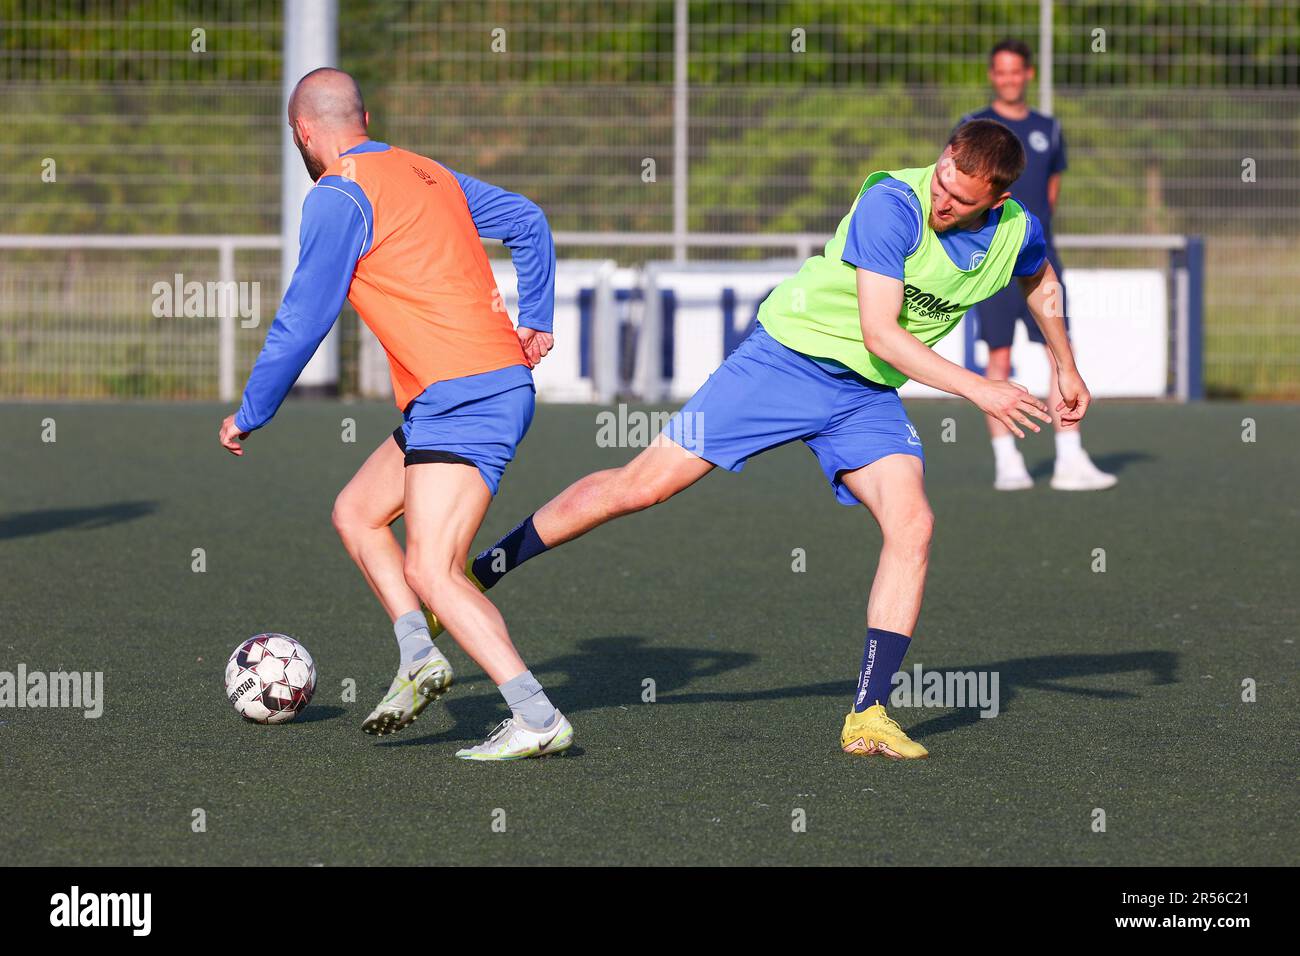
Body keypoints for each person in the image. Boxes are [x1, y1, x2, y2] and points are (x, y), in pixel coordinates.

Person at [429, 119, 1095, 760]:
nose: (942, 201)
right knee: (641, 487)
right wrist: (981, 388)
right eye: (943, 181)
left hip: (864, 396)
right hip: (785, 361)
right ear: (944, 153)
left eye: (959, 199)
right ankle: (483, 570)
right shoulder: (893, 201)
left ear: (998, 200)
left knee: (913, 523)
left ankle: (868, 713)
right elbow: (881, 333)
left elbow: (1040, 280)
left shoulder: (1017, 230)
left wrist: (1063, 361)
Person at [218, 68, 573, 761]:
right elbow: (528, 219)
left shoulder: (337, 195)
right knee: (357, 512)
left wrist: (251, 410)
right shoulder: (421, 171)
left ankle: (536, 716)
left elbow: (303, 318)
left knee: (433, 570)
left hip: (462, 395)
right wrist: (536, 318)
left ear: (304, 133)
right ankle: (418, 654)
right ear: (365, 117)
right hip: (471, 389)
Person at [955, 39, 1116, 491]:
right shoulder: (972, 125)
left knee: (1059, 350)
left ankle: (1069, 458)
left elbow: (1049, 193)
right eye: (1000, 72)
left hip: (1040, 257)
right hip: (988, 262)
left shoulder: (1050, 127)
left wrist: (1031, 237)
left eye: (1016, 71)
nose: (1008, 79)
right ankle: (1008, 462)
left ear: (1028, 74)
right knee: (999, 356)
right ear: (993, 75)